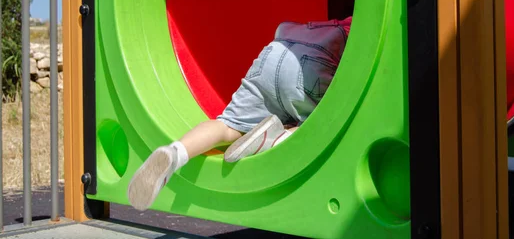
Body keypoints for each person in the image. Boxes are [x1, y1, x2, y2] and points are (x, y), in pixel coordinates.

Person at [127, 17, 352, 211]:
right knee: (324, 123)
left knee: (227, 125)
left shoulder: (319, 25)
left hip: (274, 52)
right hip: (312, 65)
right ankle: (278, 137)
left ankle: (176, 152)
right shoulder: (354, 23)